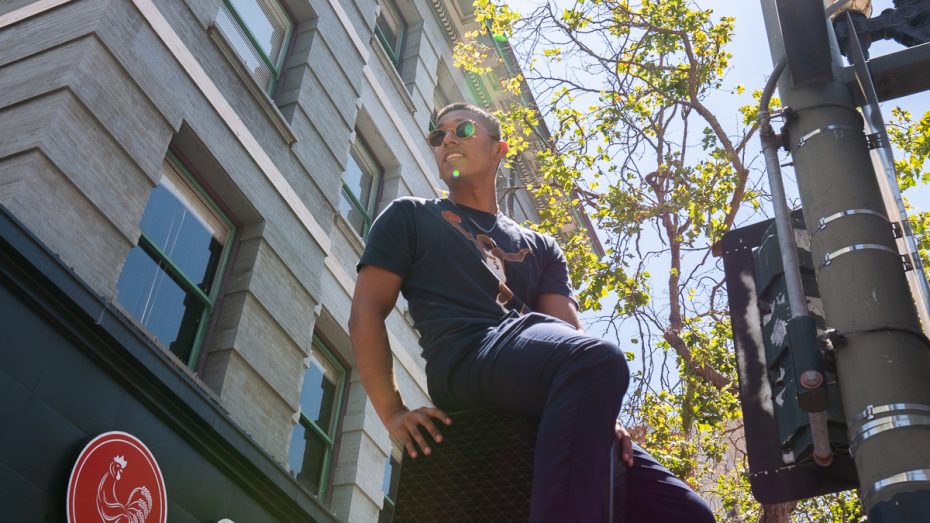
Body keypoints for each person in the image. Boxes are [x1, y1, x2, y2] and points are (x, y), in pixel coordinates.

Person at [349, 102, 715, 522]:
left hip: (539, 374)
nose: (446, 139)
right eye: (438, 136)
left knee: (686, 513)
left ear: (499, 149)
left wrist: (599, 409)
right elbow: (366, 311)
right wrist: (393, 411)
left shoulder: (541, 246)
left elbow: (565, 335)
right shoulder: (411, 216)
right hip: (468, 359)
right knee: (599, 358)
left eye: (461, 129)